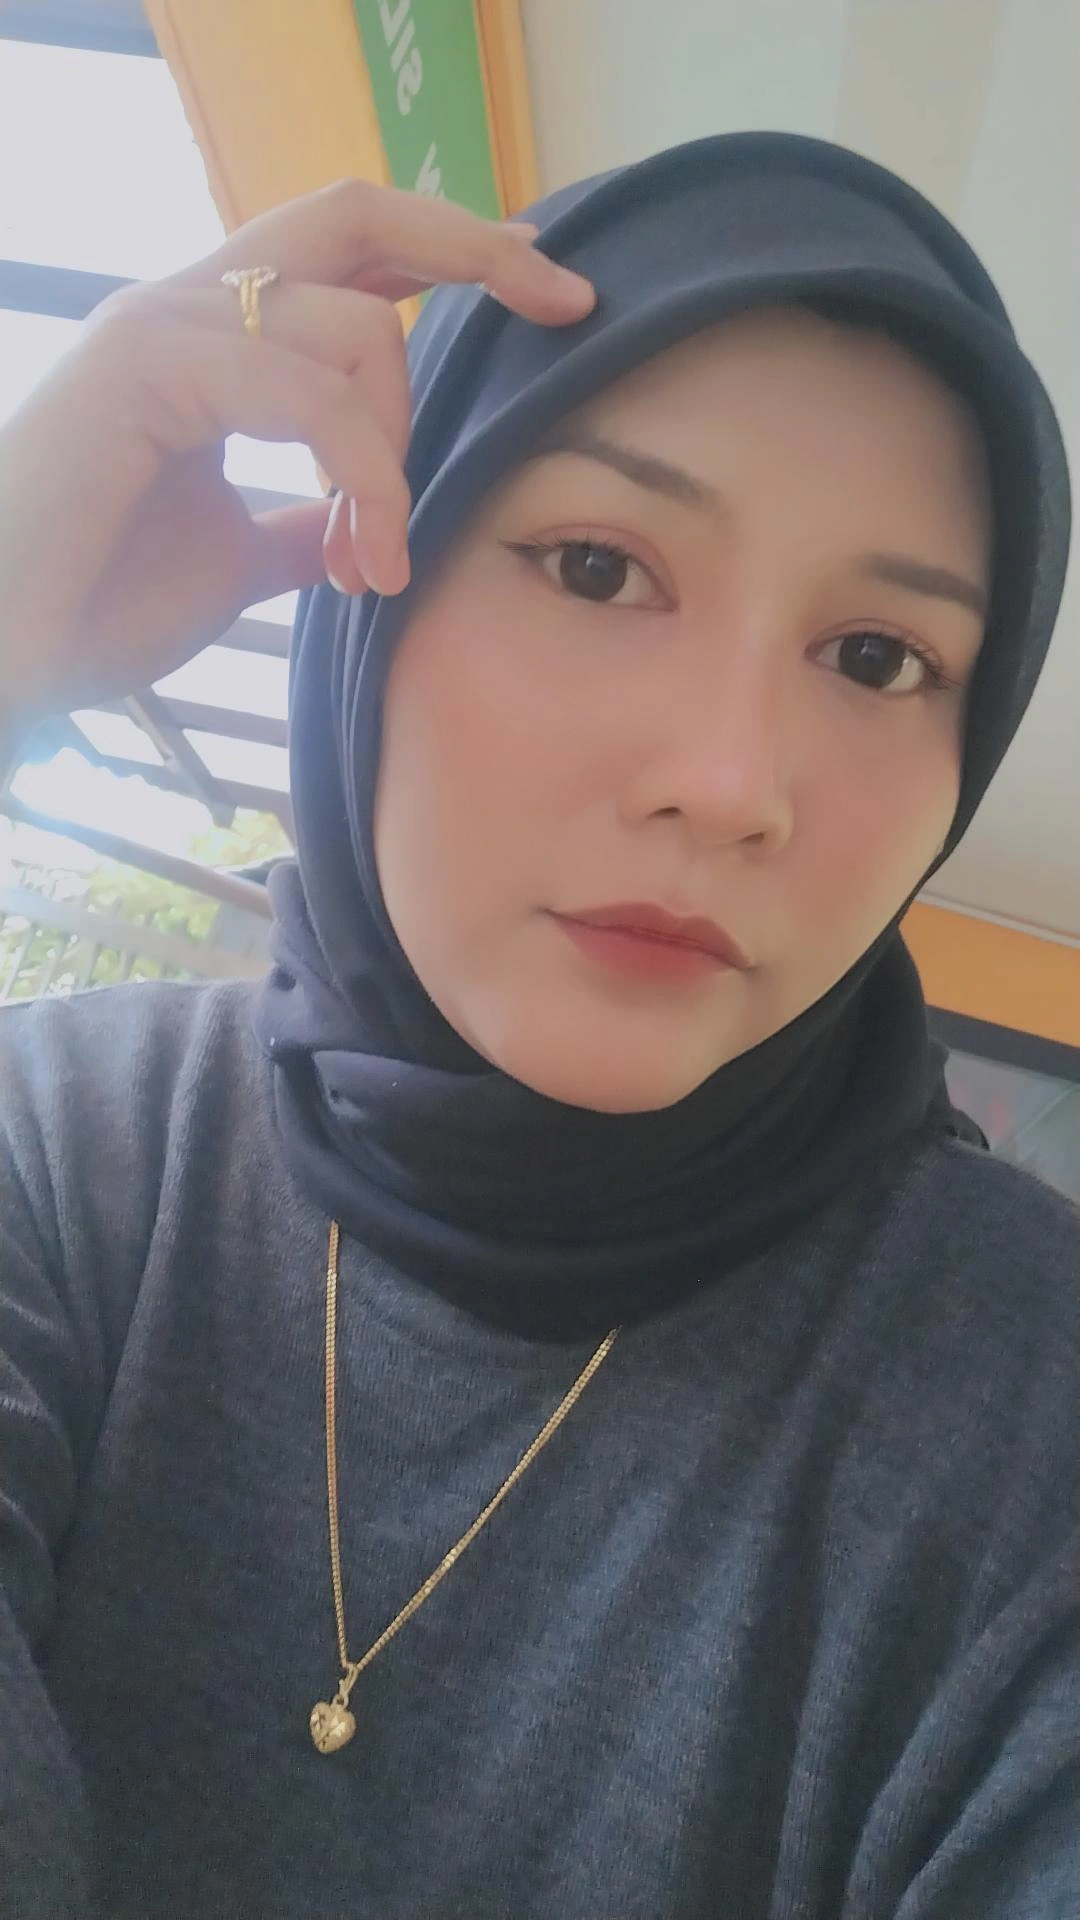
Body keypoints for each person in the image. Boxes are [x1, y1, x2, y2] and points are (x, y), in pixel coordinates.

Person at [0, 128, 1076, 1919]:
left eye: (879, 658)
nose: (731, 783)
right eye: (595, 567)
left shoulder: (1030, 1409)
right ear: (372, 589)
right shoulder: (65, 1152)